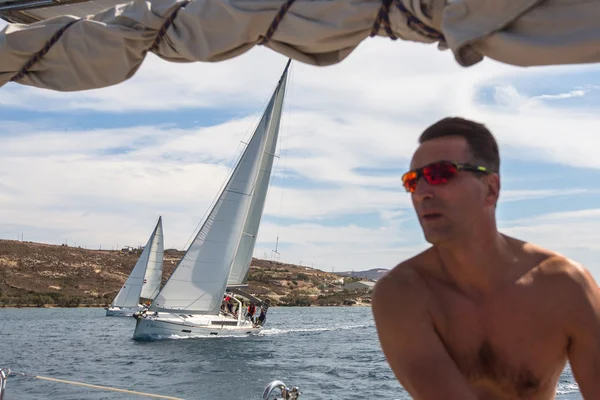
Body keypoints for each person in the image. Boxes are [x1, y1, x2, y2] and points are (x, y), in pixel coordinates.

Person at [371, 117, 600, 399]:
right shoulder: (403, 293)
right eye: (412, 181)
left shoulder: (566, 286)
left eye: (440, 175)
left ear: (491, 189)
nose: (421, 194)